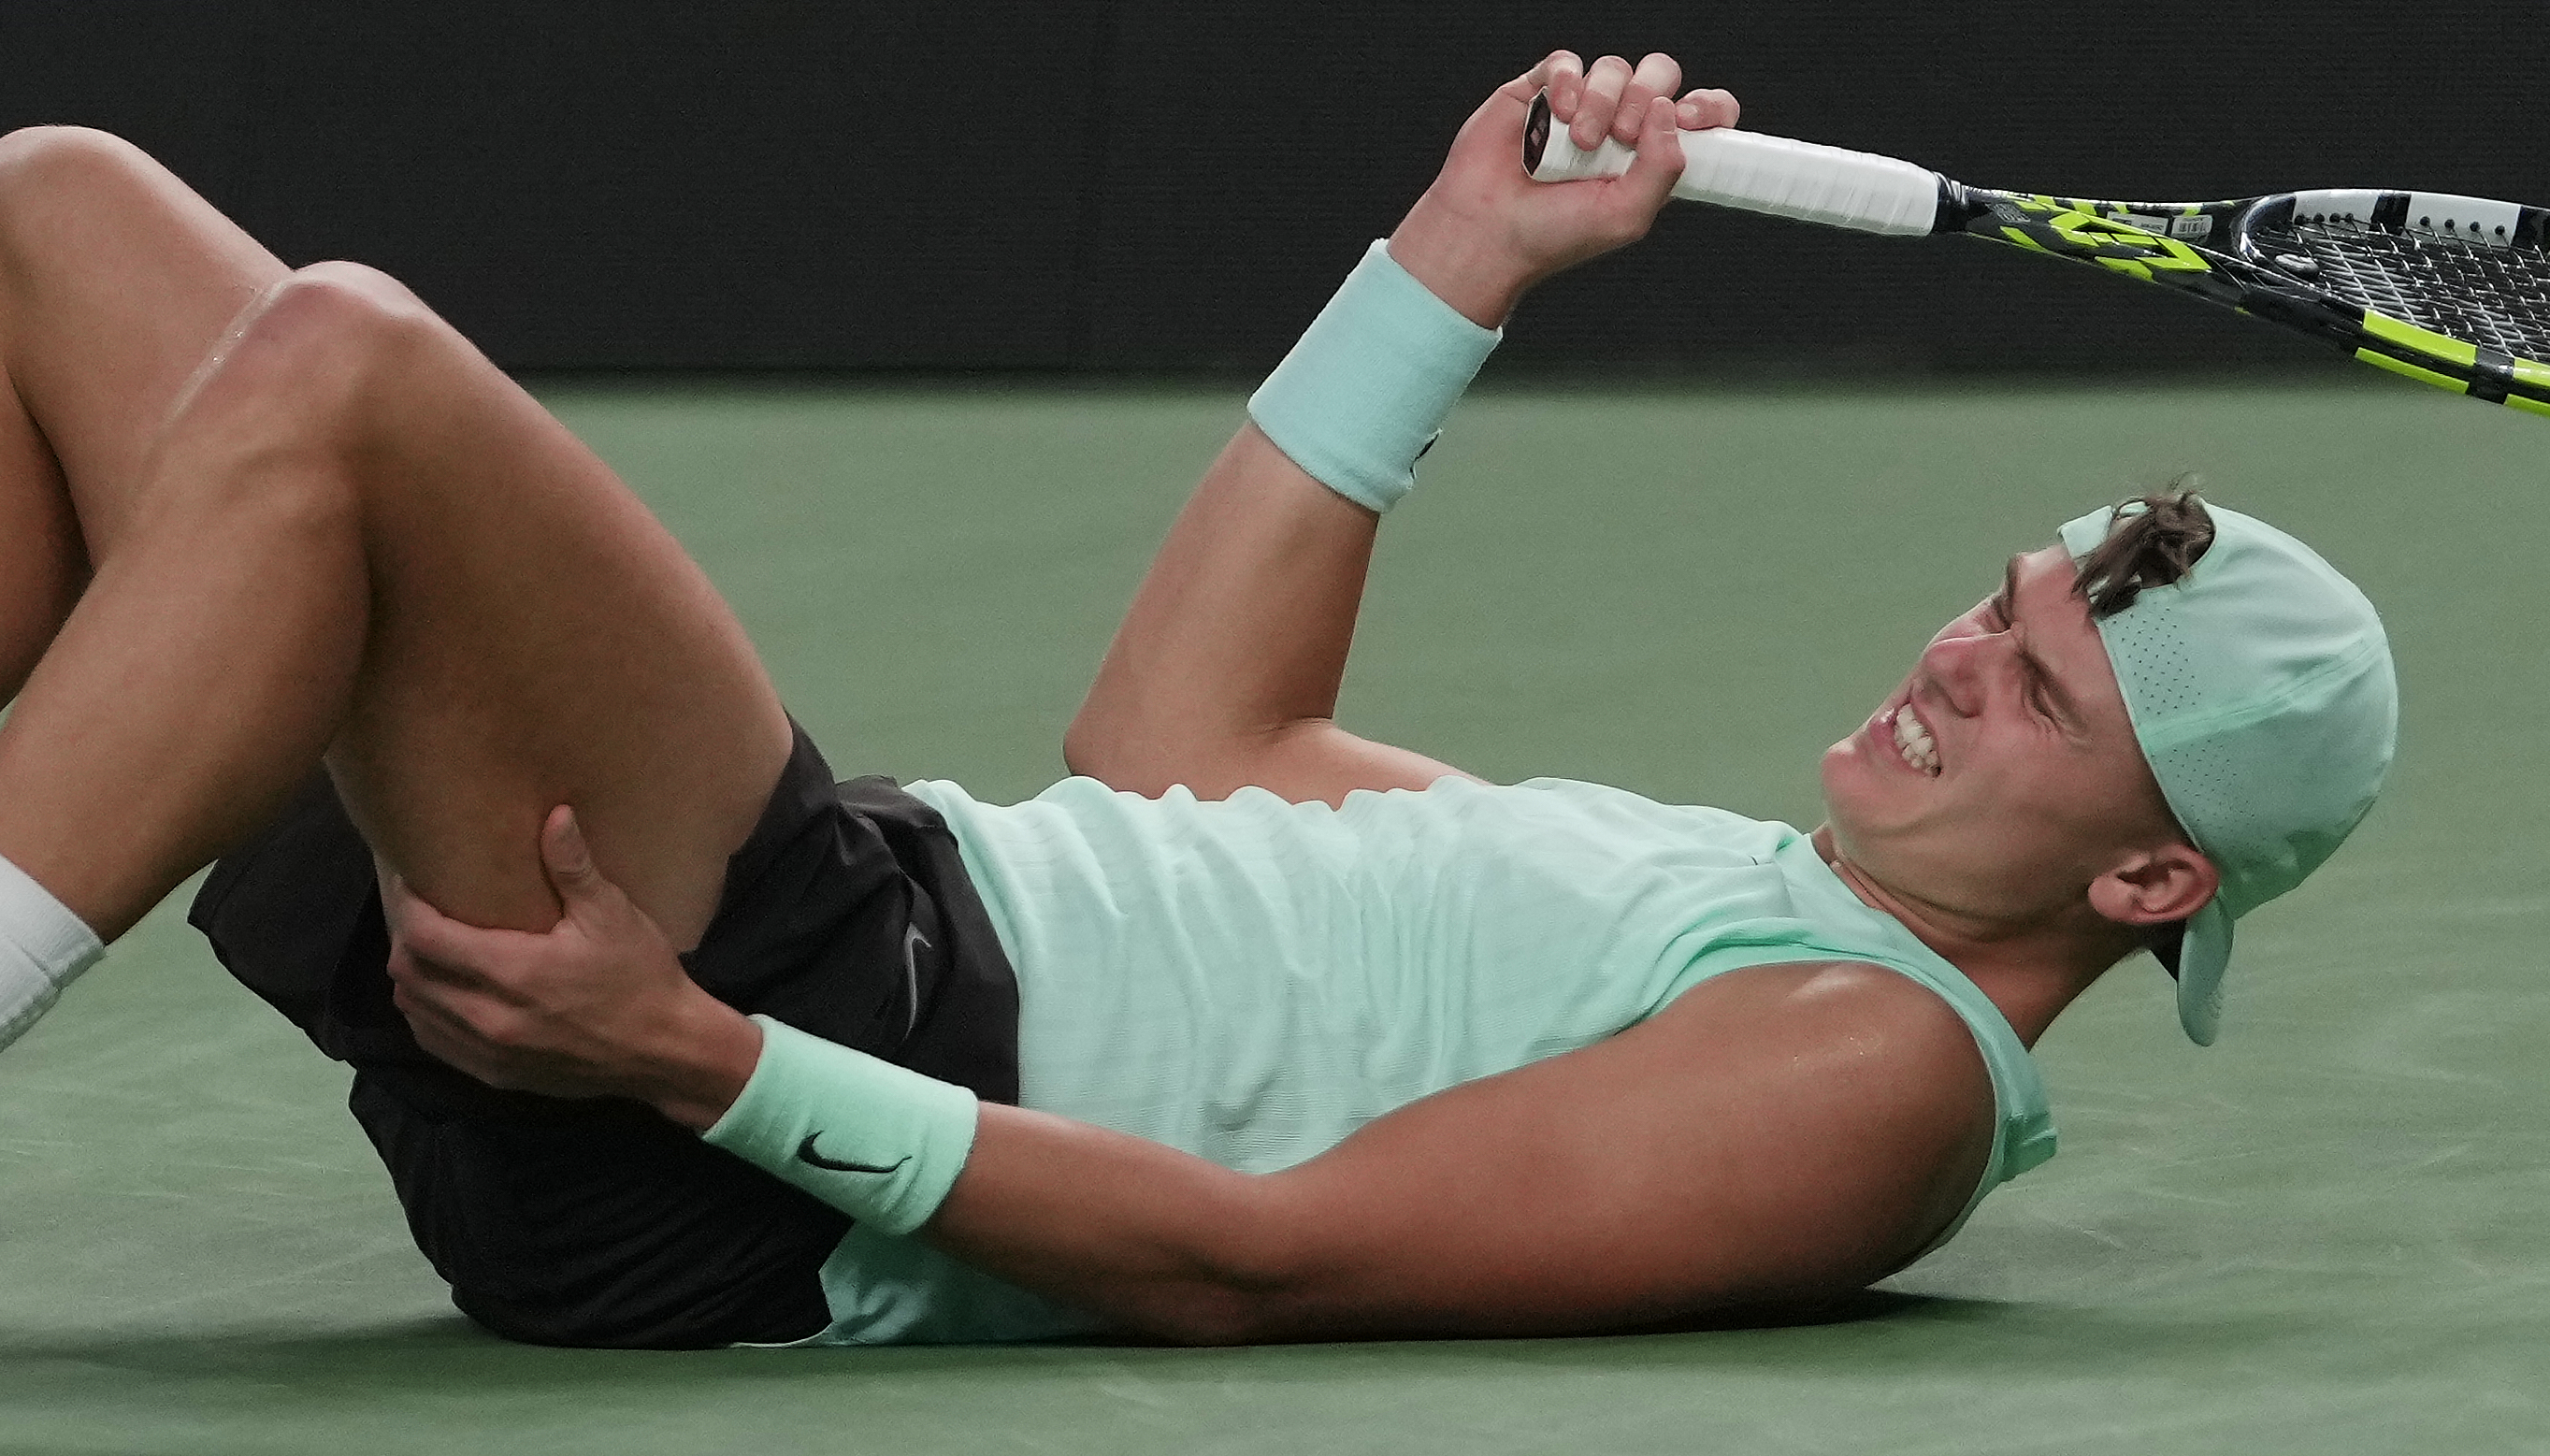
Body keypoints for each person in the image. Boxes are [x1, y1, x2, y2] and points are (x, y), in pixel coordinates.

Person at [0, 51, 2395, 1349]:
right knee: (62, 212)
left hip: (782, 1058)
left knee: (349, 363)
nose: (1952, 654)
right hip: (759, 980)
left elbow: (1266, 1258)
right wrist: (1455, 262)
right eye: (1995, 606)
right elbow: (1178, 745)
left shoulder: (1877, 1072)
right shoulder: (1724, 899)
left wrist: (702, 1063)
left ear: (2145, 879)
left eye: (2035, 688)